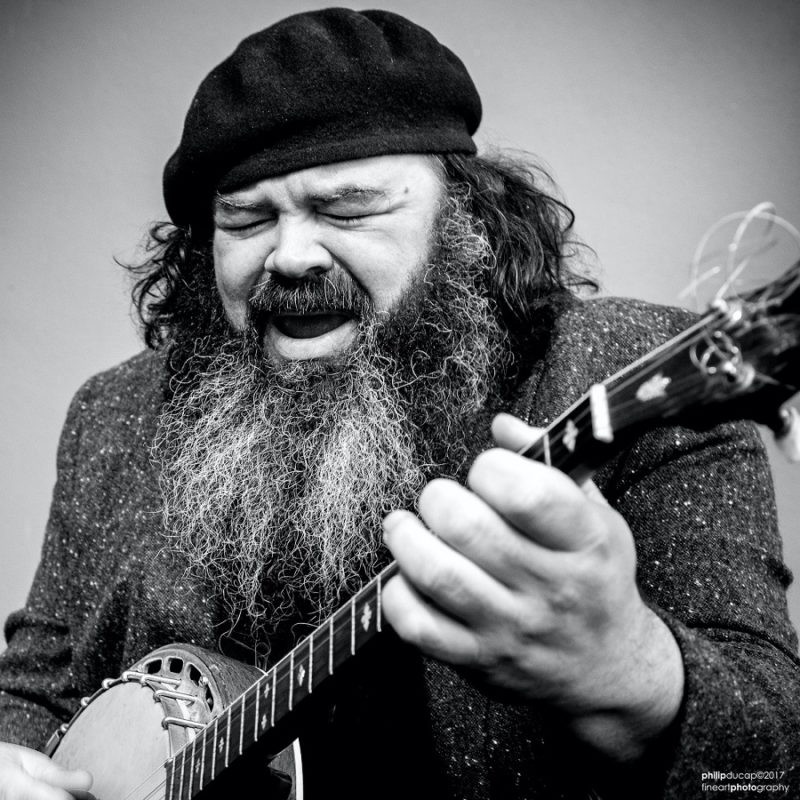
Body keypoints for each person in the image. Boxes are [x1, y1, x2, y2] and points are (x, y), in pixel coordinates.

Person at [0, 8, 797, 799]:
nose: (291, 254)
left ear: (465, 217)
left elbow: (771, 768)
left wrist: (631, 673)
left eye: (348, 209)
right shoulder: (116, 414)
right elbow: (37, 694)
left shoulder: (626, 371)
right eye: (246, 220)